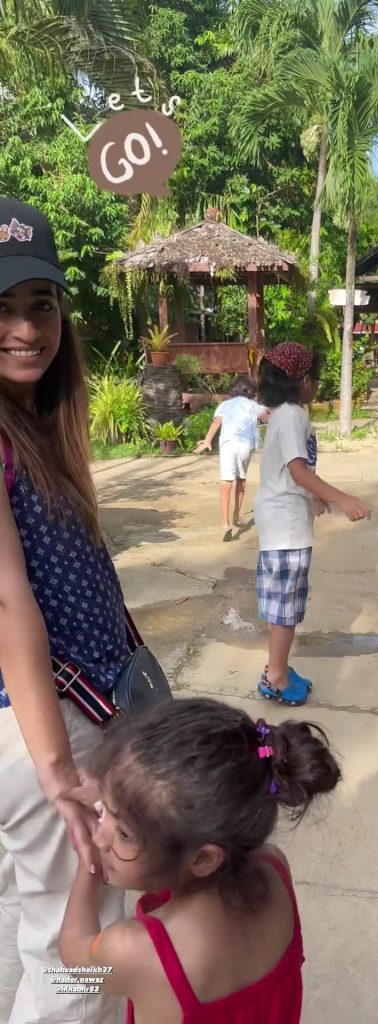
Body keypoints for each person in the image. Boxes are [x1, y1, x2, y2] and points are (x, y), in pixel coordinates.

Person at [0, 196, 125, 1024]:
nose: (25, 328)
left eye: (39, 304)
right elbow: (9, 604)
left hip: (67, 714)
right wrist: (57, 772)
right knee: (80, 949)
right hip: (48, 723)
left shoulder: (35, 425)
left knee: (36, 924)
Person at [59, 697, 342, 1024]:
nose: (100, 835)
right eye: (102, 812)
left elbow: (76, 964)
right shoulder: (273, 866)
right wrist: (120, 799)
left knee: (55, 982)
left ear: (205, 858)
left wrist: (87, 864)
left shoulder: (138, 952)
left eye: (123, 833)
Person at [254, 342, 371, 706]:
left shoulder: (284, 414)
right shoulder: (292, 415)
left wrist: (315, 496)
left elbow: (289, 472)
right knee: (286, 609)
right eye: (316, 379)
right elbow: (296, 469)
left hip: (282, 523)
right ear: (303, 381)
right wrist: (341, 497)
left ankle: (279, 666)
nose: (317, 386)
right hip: (285, 529)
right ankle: (275, 676)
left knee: (283, 606)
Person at [195, 375, 268, 542]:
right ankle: (236, 516)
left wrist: (207, 441)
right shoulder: (253, 406)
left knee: (226, 484)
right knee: (241, 480)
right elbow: (269, 418)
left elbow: (216, 424)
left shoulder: (224, 405)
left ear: (233, 389)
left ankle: (225, 525)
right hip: (245, 446)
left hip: (228, 445)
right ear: (250, 390)